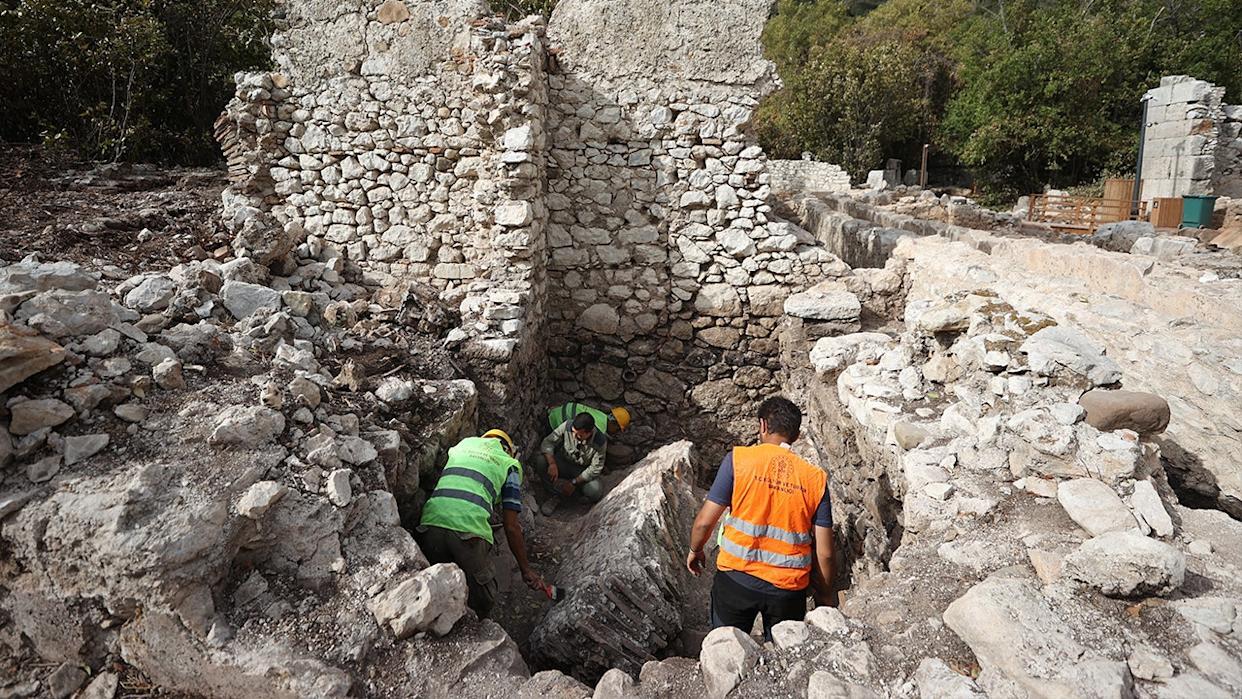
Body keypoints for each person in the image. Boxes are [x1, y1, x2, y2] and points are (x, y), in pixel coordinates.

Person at [685, 396, 835, 641]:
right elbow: (826, 553)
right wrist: (825, 597)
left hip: (736, 579)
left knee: (726, 647)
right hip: (788, 588)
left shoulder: (738, 460)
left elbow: (704, 521)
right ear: (796, 436)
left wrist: (695, 549)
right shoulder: (815, 479)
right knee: (785, 655)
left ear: (763, 426)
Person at [417, 429, 545, 618]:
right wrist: (526, 569)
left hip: (429, 524)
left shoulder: (461, 446)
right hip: (468, 532)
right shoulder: (508, 463)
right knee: (483, 599)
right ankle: (477, 626)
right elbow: (511, 526)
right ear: (508, 449)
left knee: (437, 589)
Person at [537, 412, 608, 515]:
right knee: (541, 461)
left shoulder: (600, 441)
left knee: (595, 491)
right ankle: (553, 495)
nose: (574, 436)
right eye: (573, 432)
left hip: (581, 470)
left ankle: (576, 495)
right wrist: (552, 463)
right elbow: (548, 442)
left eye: (579, 435)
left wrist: (574, 482)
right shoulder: (567, 426)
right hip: (563, 462)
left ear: (589, 433)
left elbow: (595, 468)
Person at [546, 402, 631, 437]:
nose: (616, 433)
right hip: (556, 421)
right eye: (618, 429)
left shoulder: (602, 416)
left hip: (557, 411)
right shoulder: (600, 428)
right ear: (614, 423)